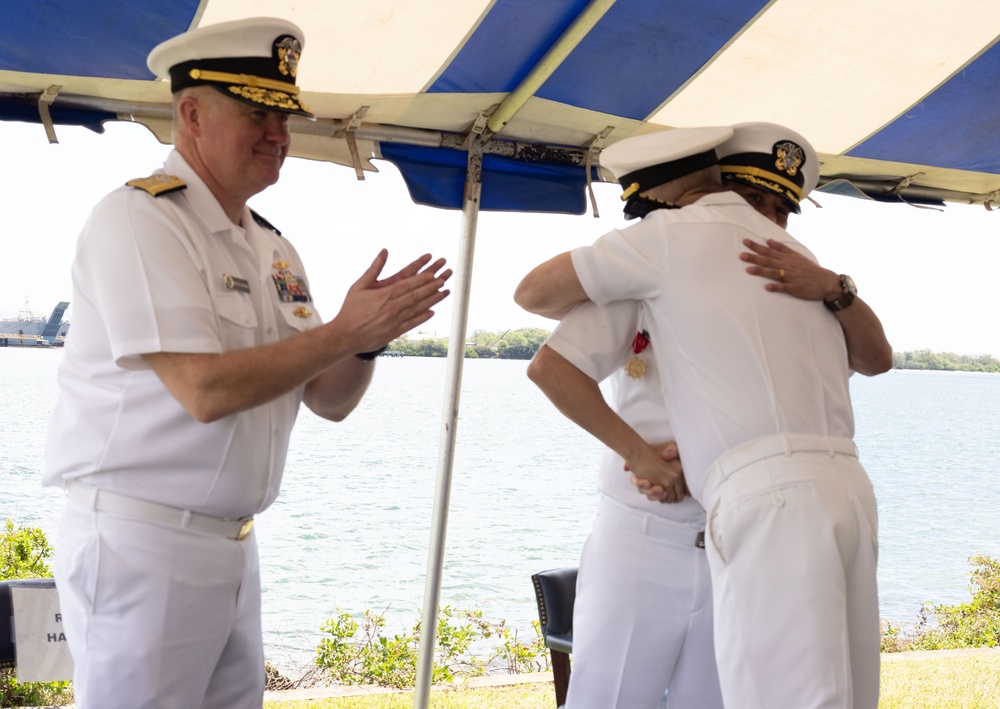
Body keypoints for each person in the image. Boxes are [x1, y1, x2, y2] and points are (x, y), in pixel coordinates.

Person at [42, 17, 451, 709]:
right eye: (257, 112)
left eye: (284, 116)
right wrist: (342, 329)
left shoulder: (272, 248)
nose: (278, 134)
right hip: (142, 541)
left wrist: (366, 339)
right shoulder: (140, 221)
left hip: (231, 545)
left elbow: (329, 396)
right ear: (191, 114)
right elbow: (201, 389)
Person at [516, 123, 891, 708]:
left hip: (737, 524)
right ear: (723, 192)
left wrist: (834, 288)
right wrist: (639, 453)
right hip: (648, 531)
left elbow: (873, 360)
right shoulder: (649, 260)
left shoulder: (799, 276)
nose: (770, 221)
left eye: (782, 210)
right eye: (758, 201)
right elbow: (552, 361)